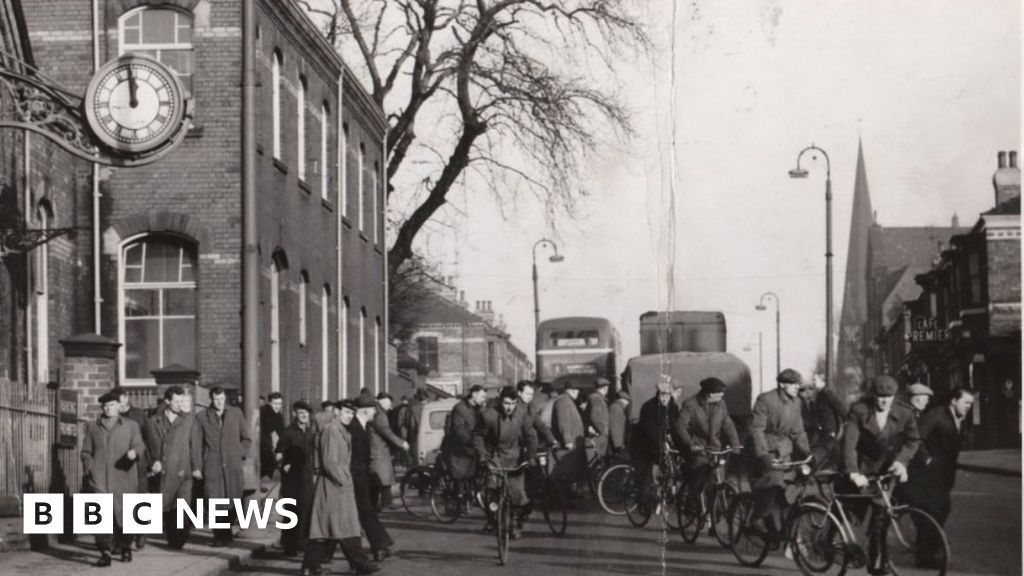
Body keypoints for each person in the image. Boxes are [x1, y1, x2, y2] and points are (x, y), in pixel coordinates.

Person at [842, 375, 922, 576]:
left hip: (888, 469)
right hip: (862, 468)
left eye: (889, 397)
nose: (884, 401)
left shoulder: (904, 412)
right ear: (873, 395)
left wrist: (902, 462)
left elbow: (913, 440)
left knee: (881, 516)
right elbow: (850, 444)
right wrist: (852, 471)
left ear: (895, 396)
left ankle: (877, 564)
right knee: (849, 511)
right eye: (880, 397)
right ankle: (828, 541)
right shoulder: (859, 410)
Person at [899, 387, 973, 569]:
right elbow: (916, 437)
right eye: (966, 402)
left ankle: (927, 549)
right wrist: (927, 459)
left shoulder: (958, 418)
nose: (969, 407)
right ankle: (925, 555)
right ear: (953, 401)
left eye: (971, 404)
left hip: (943, 475)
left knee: (941, 509)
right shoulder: (936, 415)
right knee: (933, 511)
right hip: (926, 475)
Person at [302, 400, 379, 576]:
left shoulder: (341, 430)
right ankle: (360, 564)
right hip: (334, 487)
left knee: (327, 528)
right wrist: (344, 480)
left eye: (352, 413)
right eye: (346, 412)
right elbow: (329, 462)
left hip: (337, 487)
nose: (349, 416)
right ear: (337, 412)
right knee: (341, 526)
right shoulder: (332, 430)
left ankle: (310, 567)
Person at [82, 391, 145, 566]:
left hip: (123, 477)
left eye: (112, 405)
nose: (109, 409)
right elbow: (86, 452)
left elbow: (139, 445)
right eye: (105, 406)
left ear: (119, 406)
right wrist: (90, 467)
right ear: (102, 408)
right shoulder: (94, 427)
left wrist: (134, 453)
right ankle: (105, 552)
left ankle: (125, 547)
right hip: (100, 479)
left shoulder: (130, 426)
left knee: (123, 516)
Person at [748, 368, 812, 540]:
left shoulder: (796, 402)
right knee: (773, 482)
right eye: (793, 384)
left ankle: (783, 530)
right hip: (767, 451)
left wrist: (808, 452)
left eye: (798, 384)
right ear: (782, 384)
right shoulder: (766, 400)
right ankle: (757, 517)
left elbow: (798, 432)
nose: (797, 387)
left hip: (785, 452)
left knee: (795, 486)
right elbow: (757, 429)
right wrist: (762, 455)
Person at [472, 385, 537, 539]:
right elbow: (478, 436)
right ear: (500, 401)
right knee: (491, 488)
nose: (510, 407)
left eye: (513, 403)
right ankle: (492, 517)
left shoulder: (522, 414)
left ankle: (514, 523)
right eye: (506, 403)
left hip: (515, 456)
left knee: (517, 492)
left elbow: (530, 436)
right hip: (494, 454)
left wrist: (530, 456)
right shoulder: (488, 415)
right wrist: (482, 455)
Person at [145, 386, 202, 549]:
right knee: (167, 507)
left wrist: (197, 466)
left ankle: (179, 539)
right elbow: (147, 446)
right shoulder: (153, 421)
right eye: (176, 401)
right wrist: (153, 462)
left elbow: (195, 445)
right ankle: (172, 538)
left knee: (182, 507)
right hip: (162, 470)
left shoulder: (189, 420)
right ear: (167, 401)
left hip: (184, 470)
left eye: (181, 401)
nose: (179, 404)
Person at [196, 386, 252, 546]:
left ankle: (226, 534)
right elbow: (198, 444)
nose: (219, 402)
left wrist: (237, 452)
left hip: (232, 466)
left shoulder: (236, 414)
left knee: (232, 500)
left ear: (225, 398)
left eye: (221, 399)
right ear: (211, 400)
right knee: (213, 501)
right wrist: (199, 466)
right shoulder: (201, 417)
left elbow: (246, 439)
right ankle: (218, 536)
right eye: (215, 399)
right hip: (212, 466)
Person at [675, 377, 740, 512]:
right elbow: (680, 426)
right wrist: (691, 444)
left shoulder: (721, 404)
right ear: (709, 394)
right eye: (720, 392)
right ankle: (692, 503)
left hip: (715, 447)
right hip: (698, 447)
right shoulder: (691, 404)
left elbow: (728, 425)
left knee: (718, 477)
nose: (722, 395)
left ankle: (715, 511)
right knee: (699, 476)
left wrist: (736, 444)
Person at [348, 393, 396, 561]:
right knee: (364, 512)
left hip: (363, 476)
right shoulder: (354, 429)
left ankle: (380, 544)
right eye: (373, 409)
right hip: (355, 478)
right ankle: (379, 546)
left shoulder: (362, 427)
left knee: (365, 512)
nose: (375, 413)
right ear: (365, 411)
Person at [113, 387, 152, 550]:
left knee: (140, 497)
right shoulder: (112, 417)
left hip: (138, 464)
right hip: (120, 465)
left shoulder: (139, 415)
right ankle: (120, 540)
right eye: (117, 404)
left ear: (126, 398)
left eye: (121, 402)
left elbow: (150, 438)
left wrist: (153, 460)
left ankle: (141, 532)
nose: (119, 407)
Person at [276, 401, 317, 556]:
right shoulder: (288, 432)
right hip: (292, 479)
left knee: (306, 510)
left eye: (307, 413)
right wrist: (284, 465)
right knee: (291, 512)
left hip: (306, 477)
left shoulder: (311, 431)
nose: (305, 416)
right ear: (294, 414)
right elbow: (279, 452)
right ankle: (289, 545)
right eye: (301, 413)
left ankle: (302, 542)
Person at [633, 377, 681, 504]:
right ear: (658, 394)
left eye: (667, 395)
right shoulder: (648, 407)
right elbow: (650, 429)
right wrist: (661, 442)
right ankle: (644, 500)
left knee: (672, 465)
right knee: (648, 472)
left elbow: (676, 428)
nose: (664, 398)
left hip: (662, 443)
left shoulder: (673, 408)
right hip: (645, 443)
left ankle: (665, 492)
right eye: (662, 395)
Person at [368, 391, 409, 510]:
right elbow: (386, 432)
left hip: (378, 449)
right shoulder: (380, 414)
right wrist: (401, 443)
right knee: (380, 477)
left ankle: (381, 503)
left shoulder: (378, 411)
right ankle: (381, 503)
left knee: (380, 477)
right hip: (378, 449)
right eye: (389, 404)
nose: (390, 407)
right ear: (384, 402)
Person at [441, 384, 487, 488]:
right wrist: (473, 443)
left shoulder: (480, 409)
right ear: (474, 394)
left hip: (472, 447)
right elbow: (459, 431)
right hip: (459, 449)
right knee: (461, 478)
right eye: (482, 397)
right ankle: (459, 499)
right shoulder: (460, 408)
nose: (484, 400)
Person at [799, 379, 848, 467]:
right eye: (803, 390)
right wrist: (816, 425)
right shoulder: (800, 404)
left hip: (826, 437)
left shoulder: (818, 401)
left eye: (811, 389)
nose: (808, 392)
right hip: (812, 439)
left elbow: (839, 407)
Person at [551, 382, 586, 483]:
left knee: (570, 472)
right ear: (572, 390)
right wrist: (568, 440)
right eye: (577, 391)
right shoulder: (563, 401)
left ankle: (568, 494)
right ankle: (565, 495)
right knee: (566, 472)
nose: (578, 393)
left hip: (573, 444)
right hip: (569, 445)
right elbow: (563, 422)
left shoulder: (567, 400)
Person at [260, 392, 285, 483]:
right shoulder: (262, 412)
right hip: (258, 441)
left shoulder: (279, 416)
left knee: (270, 465)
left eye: (279, 404)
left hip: (265, 441)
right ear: (269, 403)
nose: (277, 406)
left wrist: (279, 450)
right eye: (275, 404)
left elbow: (283, 434)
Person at [585, 378, 611, 459]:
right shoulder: (597, 399)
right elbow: (596, 418)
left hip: (596, 435)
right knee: (598, 461)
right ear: (605, 388)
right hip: (598, 437)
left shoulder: (593, 397)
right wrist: (604, 432)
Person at [607, 390, 630, 455]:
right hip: (616, 447)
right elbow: (614, 428)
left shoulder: (617, 408)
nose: (627, 403)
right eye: (627, 401)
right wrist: (618, 446)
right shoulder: (616, 409)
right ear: (622, 400)